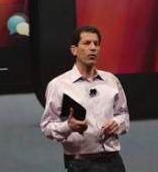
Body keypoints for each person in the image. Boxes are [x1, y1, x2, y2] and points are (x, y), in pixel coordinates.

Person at [40, 25, 129, 172]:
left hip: (114, 162)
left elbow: (123, 115)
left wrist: (116, 124)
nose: (93, 48)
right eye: (87, 43)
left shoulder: (111, 80)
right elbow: (47, 127)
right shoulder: (58, 85)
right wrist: (68, 127)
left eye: (96, 44)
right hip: (81, 164)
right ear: (74, 50)